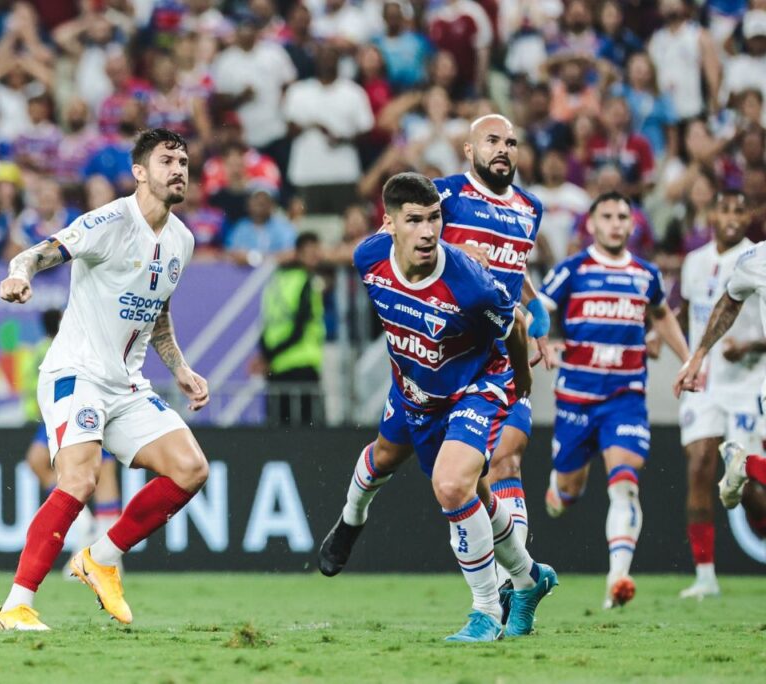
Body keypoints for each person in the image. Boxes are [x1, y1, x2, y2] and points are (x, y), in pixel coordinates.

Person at [318, 115, 551, 616]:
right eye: (493, 140)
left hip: (487, 367)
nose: (504, 149)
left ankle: (496, 604)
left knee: (480, 471)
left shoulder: (530, 210)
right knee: (387, 458)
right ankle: (351, 521)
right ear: (468, 149)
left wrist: (535, 314)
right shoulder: (439, 198)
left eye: (512, 141)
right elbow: (395, 239)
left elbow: (510, 286)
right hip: (419, 376)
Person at [0, 128, 209, 631]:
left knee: (190, 469)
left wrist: (180, 367)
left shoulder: (182, 240)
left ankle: (101, 558)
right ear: (140, 172)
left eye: (183, 161)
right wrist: (20, 273)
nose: (178, 169)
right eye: (166, 161)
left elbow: (157, 312)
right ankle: (15, 606)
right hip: (77, 372)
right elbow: (37, 252)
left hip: (127, 385)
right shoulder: (110, 221)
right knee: (81, 478)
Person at [540, 191, 689, 609]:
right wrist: (542, 340)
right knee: (564, 496)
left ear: (632, 223)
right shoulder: (573, 269)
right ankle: (559, 489)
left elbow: (661, 315)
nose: (616, 223)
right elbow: (536, 307)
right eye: (607, 216)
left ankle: (618, 578)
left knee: (624, 484)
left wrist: (690, 358)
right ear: (591, 223)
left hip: (624, 398)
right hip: (575, 399)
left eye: (623, 216)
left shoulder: (646, 274)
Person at [675, 189, 766, 600]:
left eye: (739, 209)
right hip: (710, 384)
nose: (731, 217)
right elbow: (717, 306)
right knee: (699, 466)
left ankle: (747, 466)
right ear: (710, 214)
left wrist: (748, 347)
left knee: (752, 495)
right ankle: (705, 575)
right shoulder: (751, 261)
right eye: (724, 208)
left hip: (749, 382)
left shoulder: (748, 254)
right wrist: (694, 356)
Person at [18, 309, 122, 561]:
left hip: (85, 407)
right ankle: (84, 524)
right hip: (63, 411)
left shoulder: (46, 349)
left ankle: (106, 552)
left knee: (98, 470)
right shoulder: (73, 344)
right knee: (82, 469)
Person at [256, 232, 325, 426]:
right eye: (311, 252)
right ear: (299, 253)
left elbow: (266, 323)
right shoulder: (307, 281)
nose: (315, 257)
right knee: (308, 430)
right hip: (303, 365)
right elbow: (299, 329)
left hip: (276, 368)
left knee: (278, 428)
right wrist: (269, 356)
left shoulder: (276, 281)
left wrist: (267, 355)